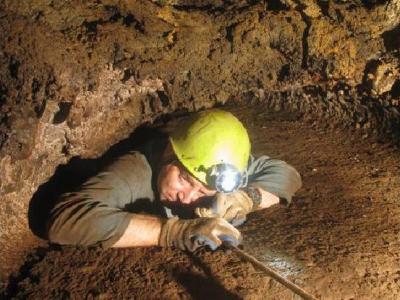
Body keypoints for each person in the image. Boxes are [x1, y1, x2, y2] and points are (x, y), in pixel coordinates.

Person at [47, 109, 302, 251]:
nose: (188, 197)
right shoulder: (134, 171)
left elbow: (287, 175)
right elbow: (64, 220)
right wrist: (173, 231)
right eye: (185, 179)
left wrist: (247, 198)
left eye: (203, 190)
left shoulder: (212, 161)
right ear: (170, 153)